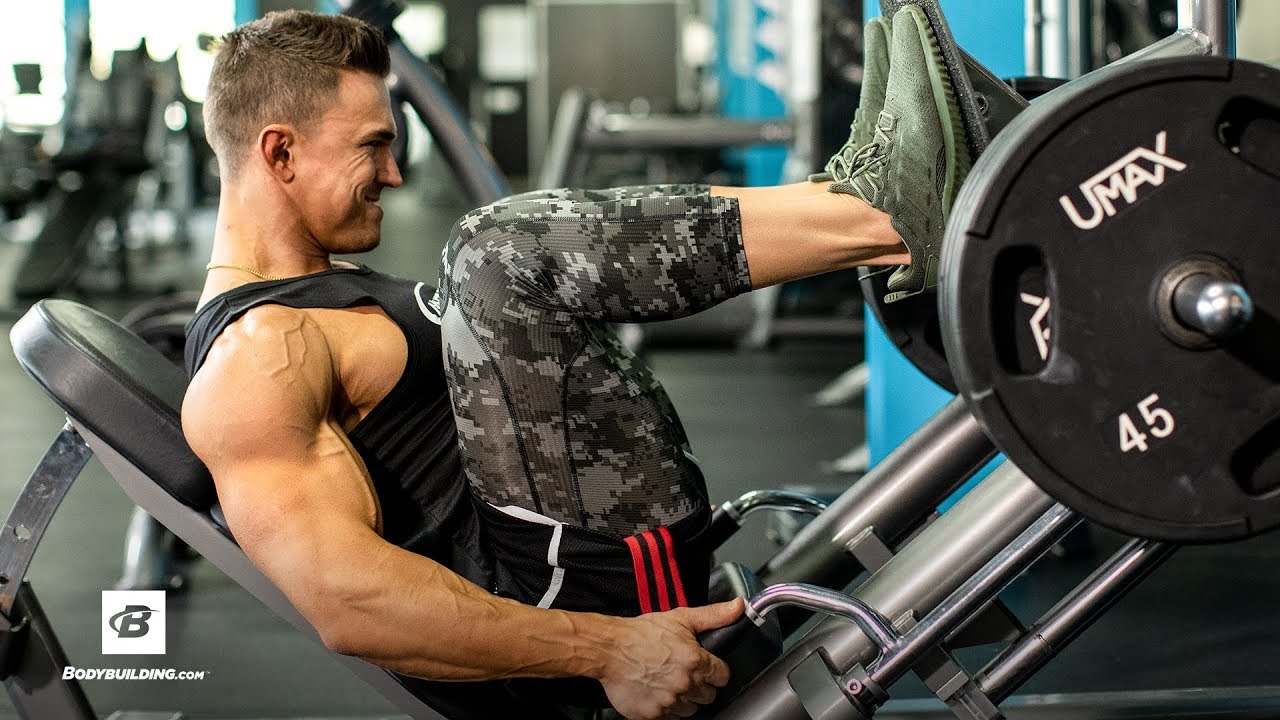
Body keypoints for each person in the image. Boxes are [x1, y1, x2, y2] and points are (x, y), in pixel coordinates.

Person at [181, 5, 992, 719]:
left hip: (582, 557)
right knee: (492, 252)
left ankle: (861, 201)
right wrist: (608, 651)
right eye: (374, 147)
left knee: (493, 258)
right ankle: (882, 215)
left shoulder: (316, 292)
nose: (393, 174)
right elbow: (347, 602)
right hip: (574, 605)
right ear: (280, 154)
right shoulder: (255, 360)